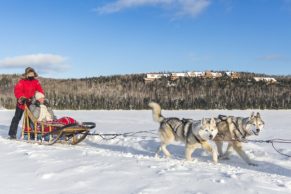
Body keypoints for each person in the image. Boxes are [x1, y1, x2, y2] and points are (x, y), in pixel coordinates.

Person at [8, 67, 44, 139]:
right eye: (29, 74)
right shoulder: (22, 82)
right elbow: (17, 90)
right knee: (17, 118)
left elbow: (40, 90)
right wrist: (21, 97)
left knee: (31, 119)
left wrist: (39, 98)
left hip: (31, 103)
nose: (31, 75)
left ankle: (29, 133)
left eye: (32, 74)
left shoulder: (35, 82)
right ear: (26, 74)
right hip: (22, 102)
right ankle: (12, 134)